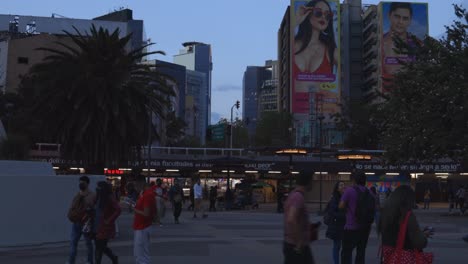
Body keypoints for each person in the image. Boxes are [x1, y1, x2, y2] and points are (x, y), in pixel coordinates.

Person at [293, 0, 338, 92]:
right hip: (295, 104)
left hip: (324, 104)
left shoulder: (331, 50)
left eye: (328, 15)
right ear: (308, 14)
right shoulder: (293, 44)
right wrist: (296, 20)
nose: (323, 17)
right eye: (318, 13)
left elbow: (345, 80)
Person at [378, 185, 430, 257]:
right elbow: (419, 242)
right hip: (404, 257)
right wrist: (423, 236)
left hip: (388, 257)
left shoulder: (385, 213)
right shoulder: (407, 215)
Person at [339, 171, 374, 264]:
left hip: (350, 227)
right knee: (361, 253)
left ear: (354, 180)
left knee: (346, 253)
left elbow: (341, 206)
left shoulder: (349, 190)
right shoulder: (369, 192)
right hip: (364, 228)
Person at [382, 2, 423, 78]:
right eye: (397, 17)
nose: (400, 22)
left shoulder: (418, 44)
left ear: (410, 20)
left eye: (405, 18)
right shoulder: (380, 41)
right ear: (389, 16)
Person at [283, 171, 315, 264]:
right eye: (312, 181)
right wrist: (299, 241)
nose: (313, 184)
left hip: (293, 244)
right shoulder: (298, 197)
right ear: (308, 182)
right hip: (297, 245)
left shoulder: (294, 195)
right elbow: (291, 219)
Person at [66, 176, 96, 264]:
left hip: (81, 223)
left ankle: (72, 261)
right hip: (83, 223)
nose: (80, 184)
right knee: (87, 244)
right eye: (80, 182)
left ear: (87, 183)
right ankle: (89, 261)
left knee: (75, 243)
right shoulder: (91, 195)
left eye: (82, 182)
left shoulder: (79, 194)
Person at [94, 181, 121, 264]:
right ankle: (113, 257)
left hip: (104, 226)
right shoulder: (98, 196)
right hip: (97, 224)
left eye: (98, 187)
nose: (97, 188)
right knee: (100, 246)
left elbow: (118, 209)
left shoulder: (109, 197)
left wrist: (109, 220)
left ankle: (110, 258)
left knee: (99, 246)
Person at [133, 182, 156, 264]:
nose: (135, 187)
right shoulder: (146, 194)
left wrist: (134, 209)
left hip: (142, 227)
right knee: (142, 251)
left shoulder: (147, 196)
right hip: (143, 226)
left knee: (140, 251)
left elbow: (146, 213)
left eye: (136, 185)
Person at [325, 181, 346, 264]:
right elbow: (332, 212)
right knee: (337, 246)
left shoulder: (345, 197)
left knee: (343, 246)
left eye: (344, 185)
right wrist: (344, 215)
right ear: (337, 188)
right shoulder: (334, 198)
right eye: (341, 185)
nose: (343, 186)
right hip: (336, 225)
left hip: (344, 225)